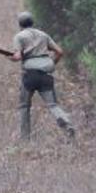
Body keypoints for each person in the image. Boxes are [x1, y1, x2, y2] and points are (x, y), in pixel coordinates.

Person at [10, 11, 75, 141]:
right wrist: (51, 64)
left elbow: (17, 56)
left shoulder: (19, 36)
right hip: (46, 73)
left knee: (24, 106)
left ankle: (25, 139)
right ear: (32, 22)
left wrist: (11, 57)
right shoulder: (43, 35)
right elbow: (59, 52)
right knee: (53, 105)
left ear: (20, 24)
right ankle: (67, 124)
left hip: (30, 75)